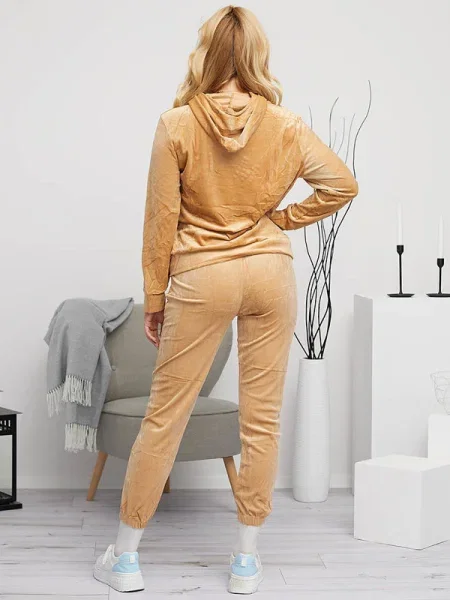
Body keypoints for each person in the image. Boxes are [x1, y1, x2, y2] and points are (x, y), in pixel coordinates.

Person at [93, 4, 359, 594]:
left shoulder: (176, 123)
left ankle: (126, 561)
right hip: (270, 273)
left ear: (205, 54)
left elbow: (160, 220)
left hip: (201, 275)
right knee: (262, 420)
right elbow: (342, 183)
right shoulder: (285, 124)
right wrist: (280, 221)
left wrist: (155, 297)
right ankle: (245, 562)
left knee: (165, 416)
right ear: (257, 55)